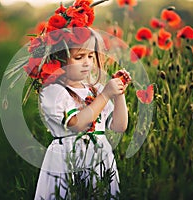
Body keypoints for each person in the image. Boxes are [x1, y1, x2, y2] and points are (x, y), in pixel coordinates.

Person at [33, 26, 131, 199]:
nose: (87, 63)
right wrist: (106, 94)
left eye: (91, 56)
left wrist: (118, 94)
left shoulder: (95, 90)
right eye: (79, 57)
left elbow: (119, 126)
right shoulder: (53, 91)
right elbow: (77, 124)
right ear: (59, 60)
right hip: (67, 159)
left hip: (99, 157)